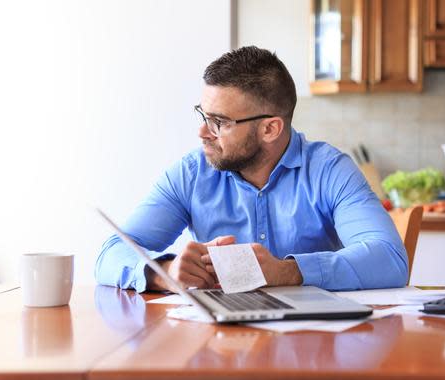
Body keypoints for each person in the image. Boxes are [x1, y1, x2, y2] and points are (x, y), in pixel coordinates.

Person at [95, 46, 408, 293]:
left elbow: (390, 260)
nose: (203, 133)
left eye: (220, 122)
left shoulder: (329, 171)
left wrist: (289, 271)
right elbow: (111, 253)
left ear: (270, 129)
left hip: (313, 347)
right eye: (204, 116)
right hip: (221, 348)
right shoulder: (191, 174)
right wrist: (163, 273)